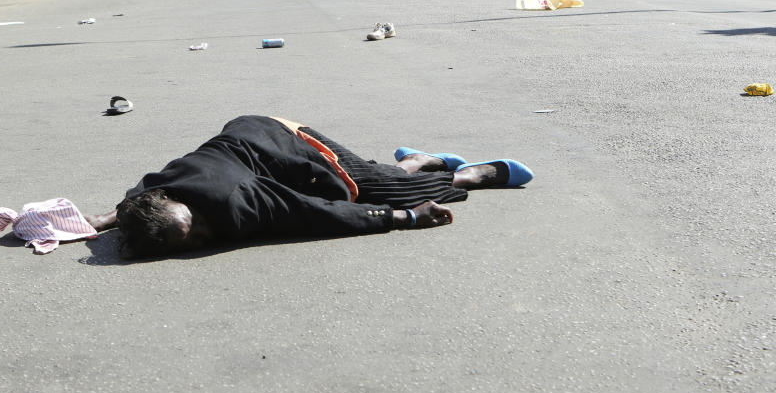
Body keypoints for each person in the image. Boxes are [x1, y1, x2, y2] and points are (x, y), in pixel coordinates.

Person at [83, 115, 533, 258]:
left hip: (293, 143)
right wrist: (104, 219)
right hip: (251, 134)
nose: (204, 236)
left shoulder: (234, 203)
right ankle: (417, 162)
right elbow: (135, 200)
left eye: (196, 228)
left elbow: (311, 211)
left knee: (376, 191)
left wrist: (406, 218)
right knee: (371, 180)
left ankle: (460, 173)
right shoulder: (157, 196)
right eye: (192, 241)